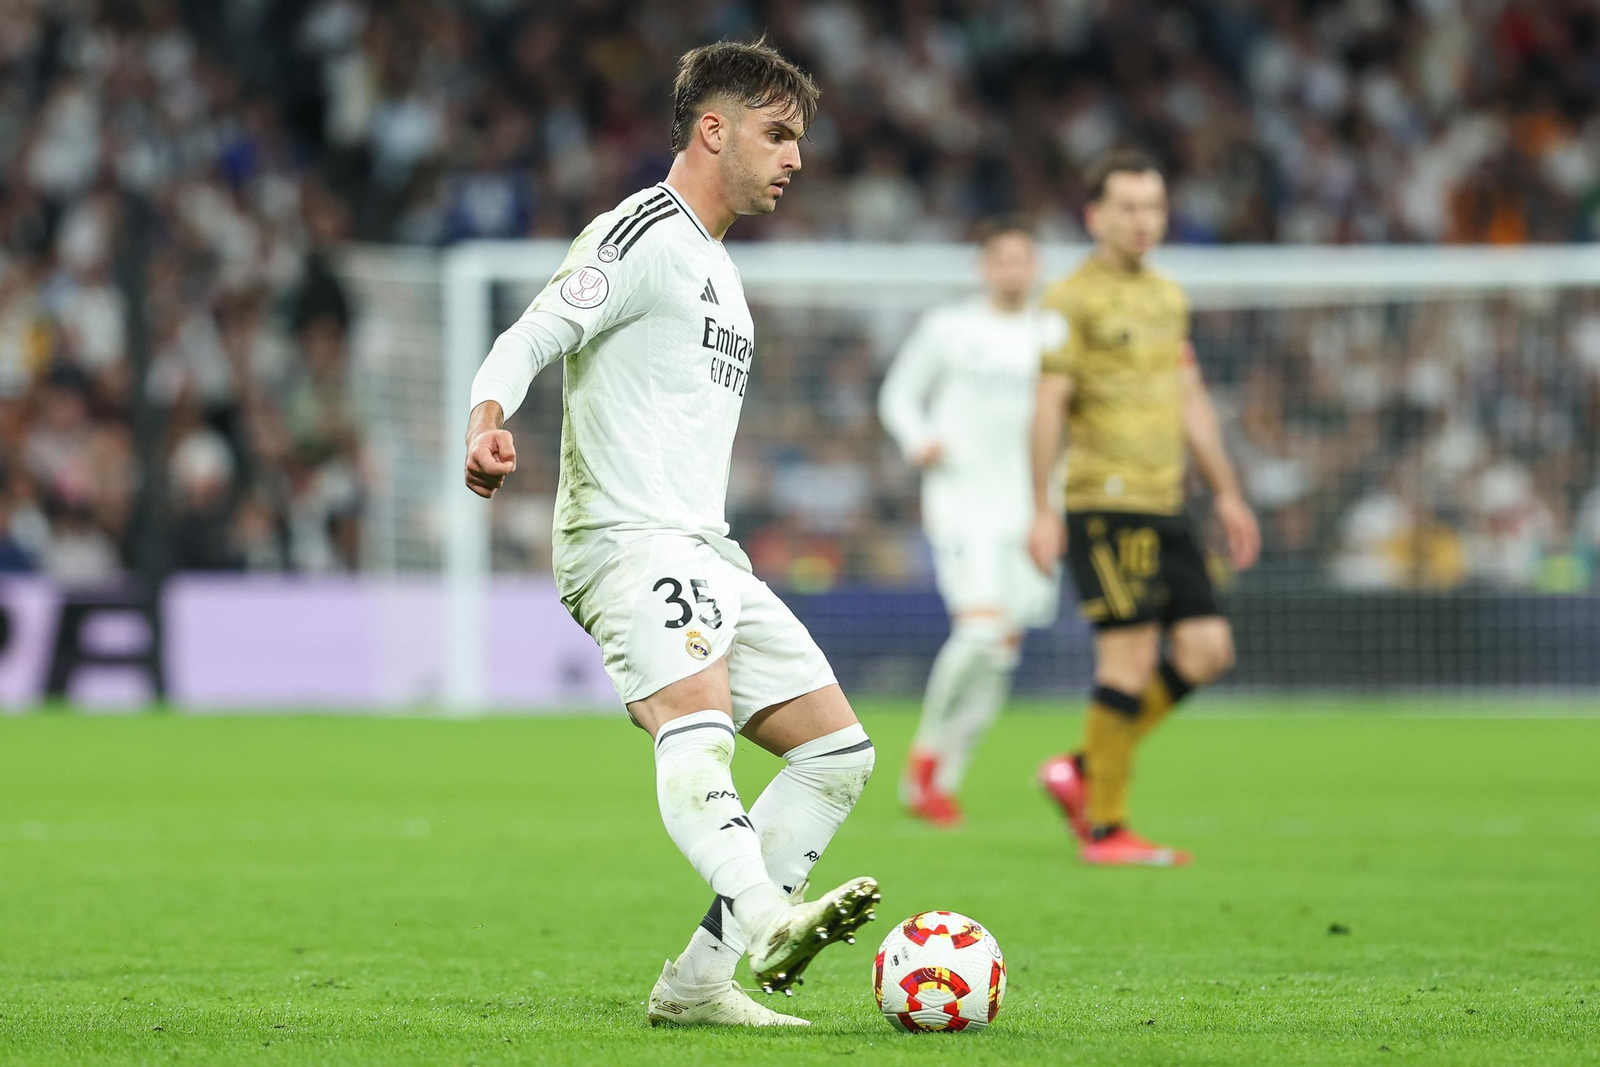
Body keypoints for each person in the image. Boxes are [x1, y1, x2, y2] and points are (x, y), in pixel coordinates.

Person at [462, 40, 878, 1028]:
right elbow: (531, 333)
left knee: (836, 754)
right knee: (694, 724)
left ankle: (699, 981)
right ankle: (771, 915)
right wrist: (486, 418)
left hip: (703, 548)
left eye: (800, 140)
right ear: (712, 128)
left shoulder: (721, 273)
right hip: (627, 539)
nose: (795, 158)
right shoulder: (641, 231)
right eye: (777, 134)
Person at [1028, 148, 1260, 867]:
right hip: (1106, 503)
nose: (1142, 220)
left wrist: (1227, 490)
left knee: (1206, 650)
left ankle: (1082, 767)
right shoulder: (1070, 299)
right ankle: (1105, 827)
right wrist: (1040, 506)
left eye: (1153, 206)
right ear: (1095, 215)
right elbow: (1049, 405)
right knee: (1126, 659)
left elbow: (1190, 399)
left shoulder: (1167, 297)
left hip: (1168, 501)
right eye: (1126, 206)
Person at [878, 217, 1063, 827]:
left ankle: (945, 779)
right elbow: (899, 394)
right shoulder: (949, 328)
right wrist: (919, 437)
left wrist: (1056, 506)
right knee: (980, 633)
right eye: (1002, 260)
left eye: (1023, 260)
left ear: (1035, 267)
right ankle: (928, 757)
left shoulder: (1056, 333)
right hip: (961, 502)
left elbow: (1070, 423)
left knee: (1003, 651)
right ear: (984, 267)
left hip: (1032, 509)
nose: (1013, 271)